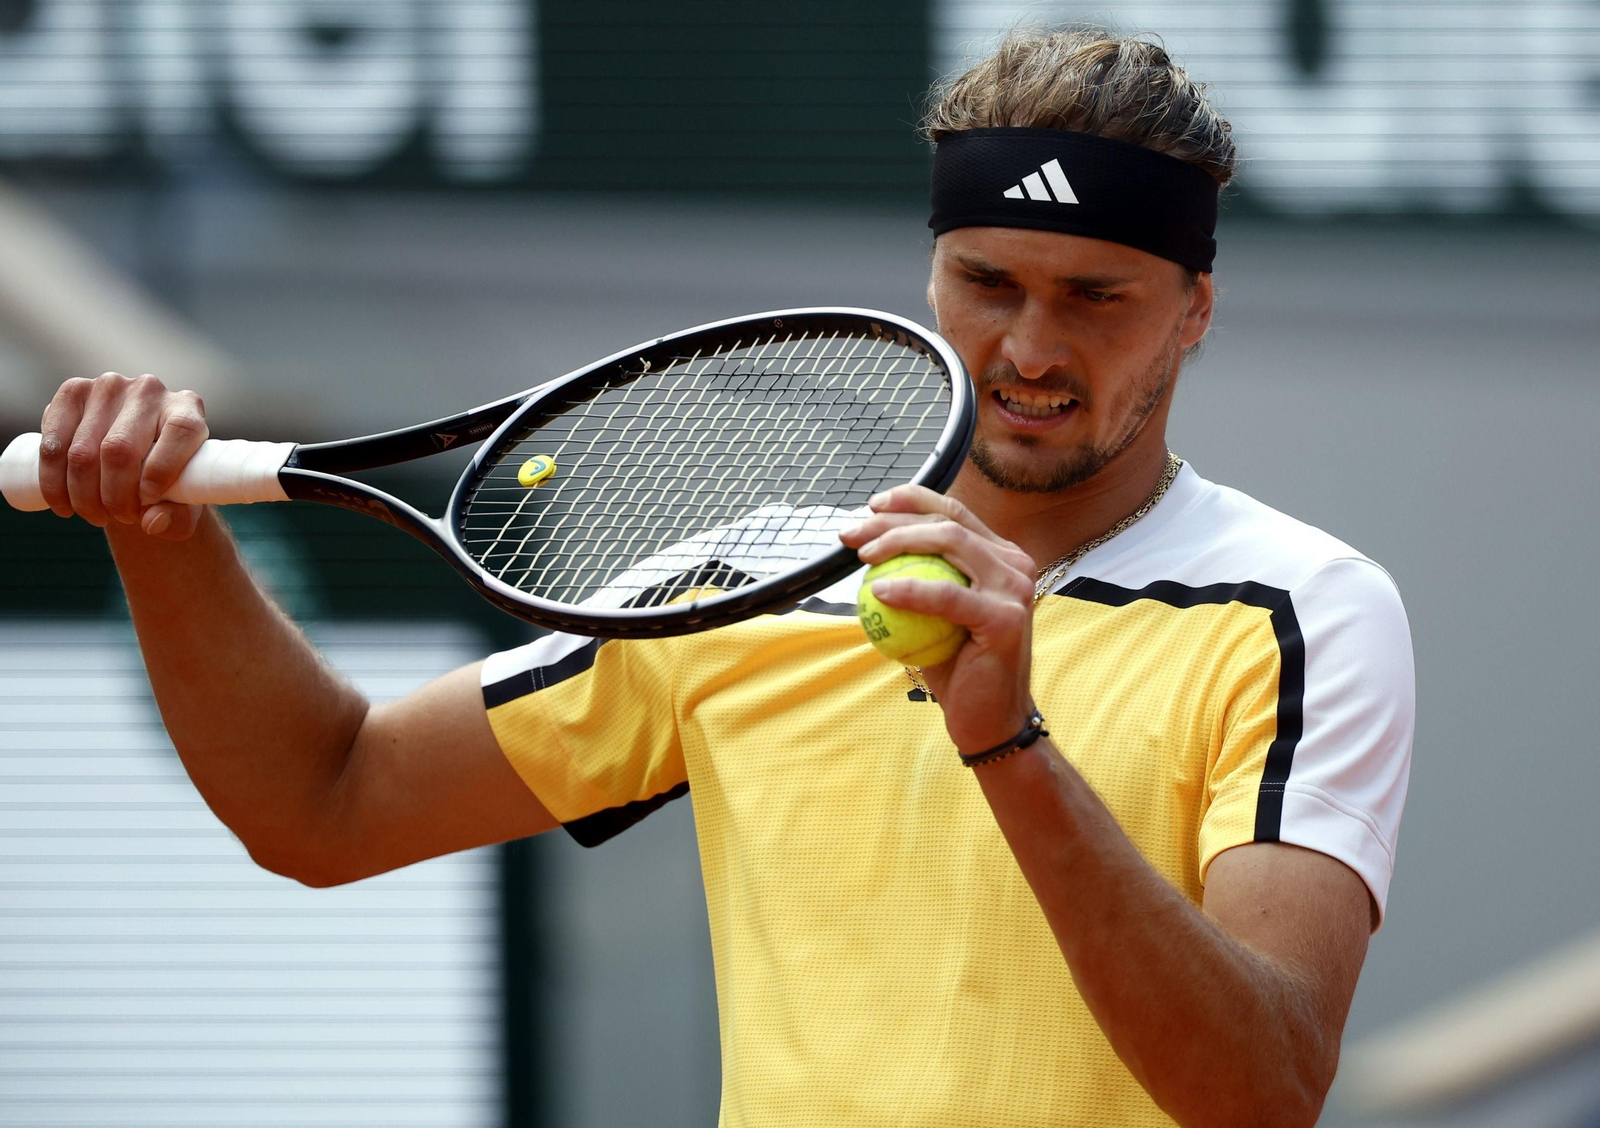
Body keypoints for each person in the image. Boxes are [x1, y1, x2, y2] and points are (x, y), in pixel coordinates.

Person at [30, 27, 1413, 1128]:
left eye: (1097, 297)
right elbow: (320, 806)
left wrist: (1008, 739)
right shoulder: (753, 579)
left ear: (1195, 310)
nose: (1031, 348)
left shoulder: (1304, 610)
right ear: (932, 275)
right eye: (989, 280)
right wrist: (171, 544)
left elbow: (1262, 1091)